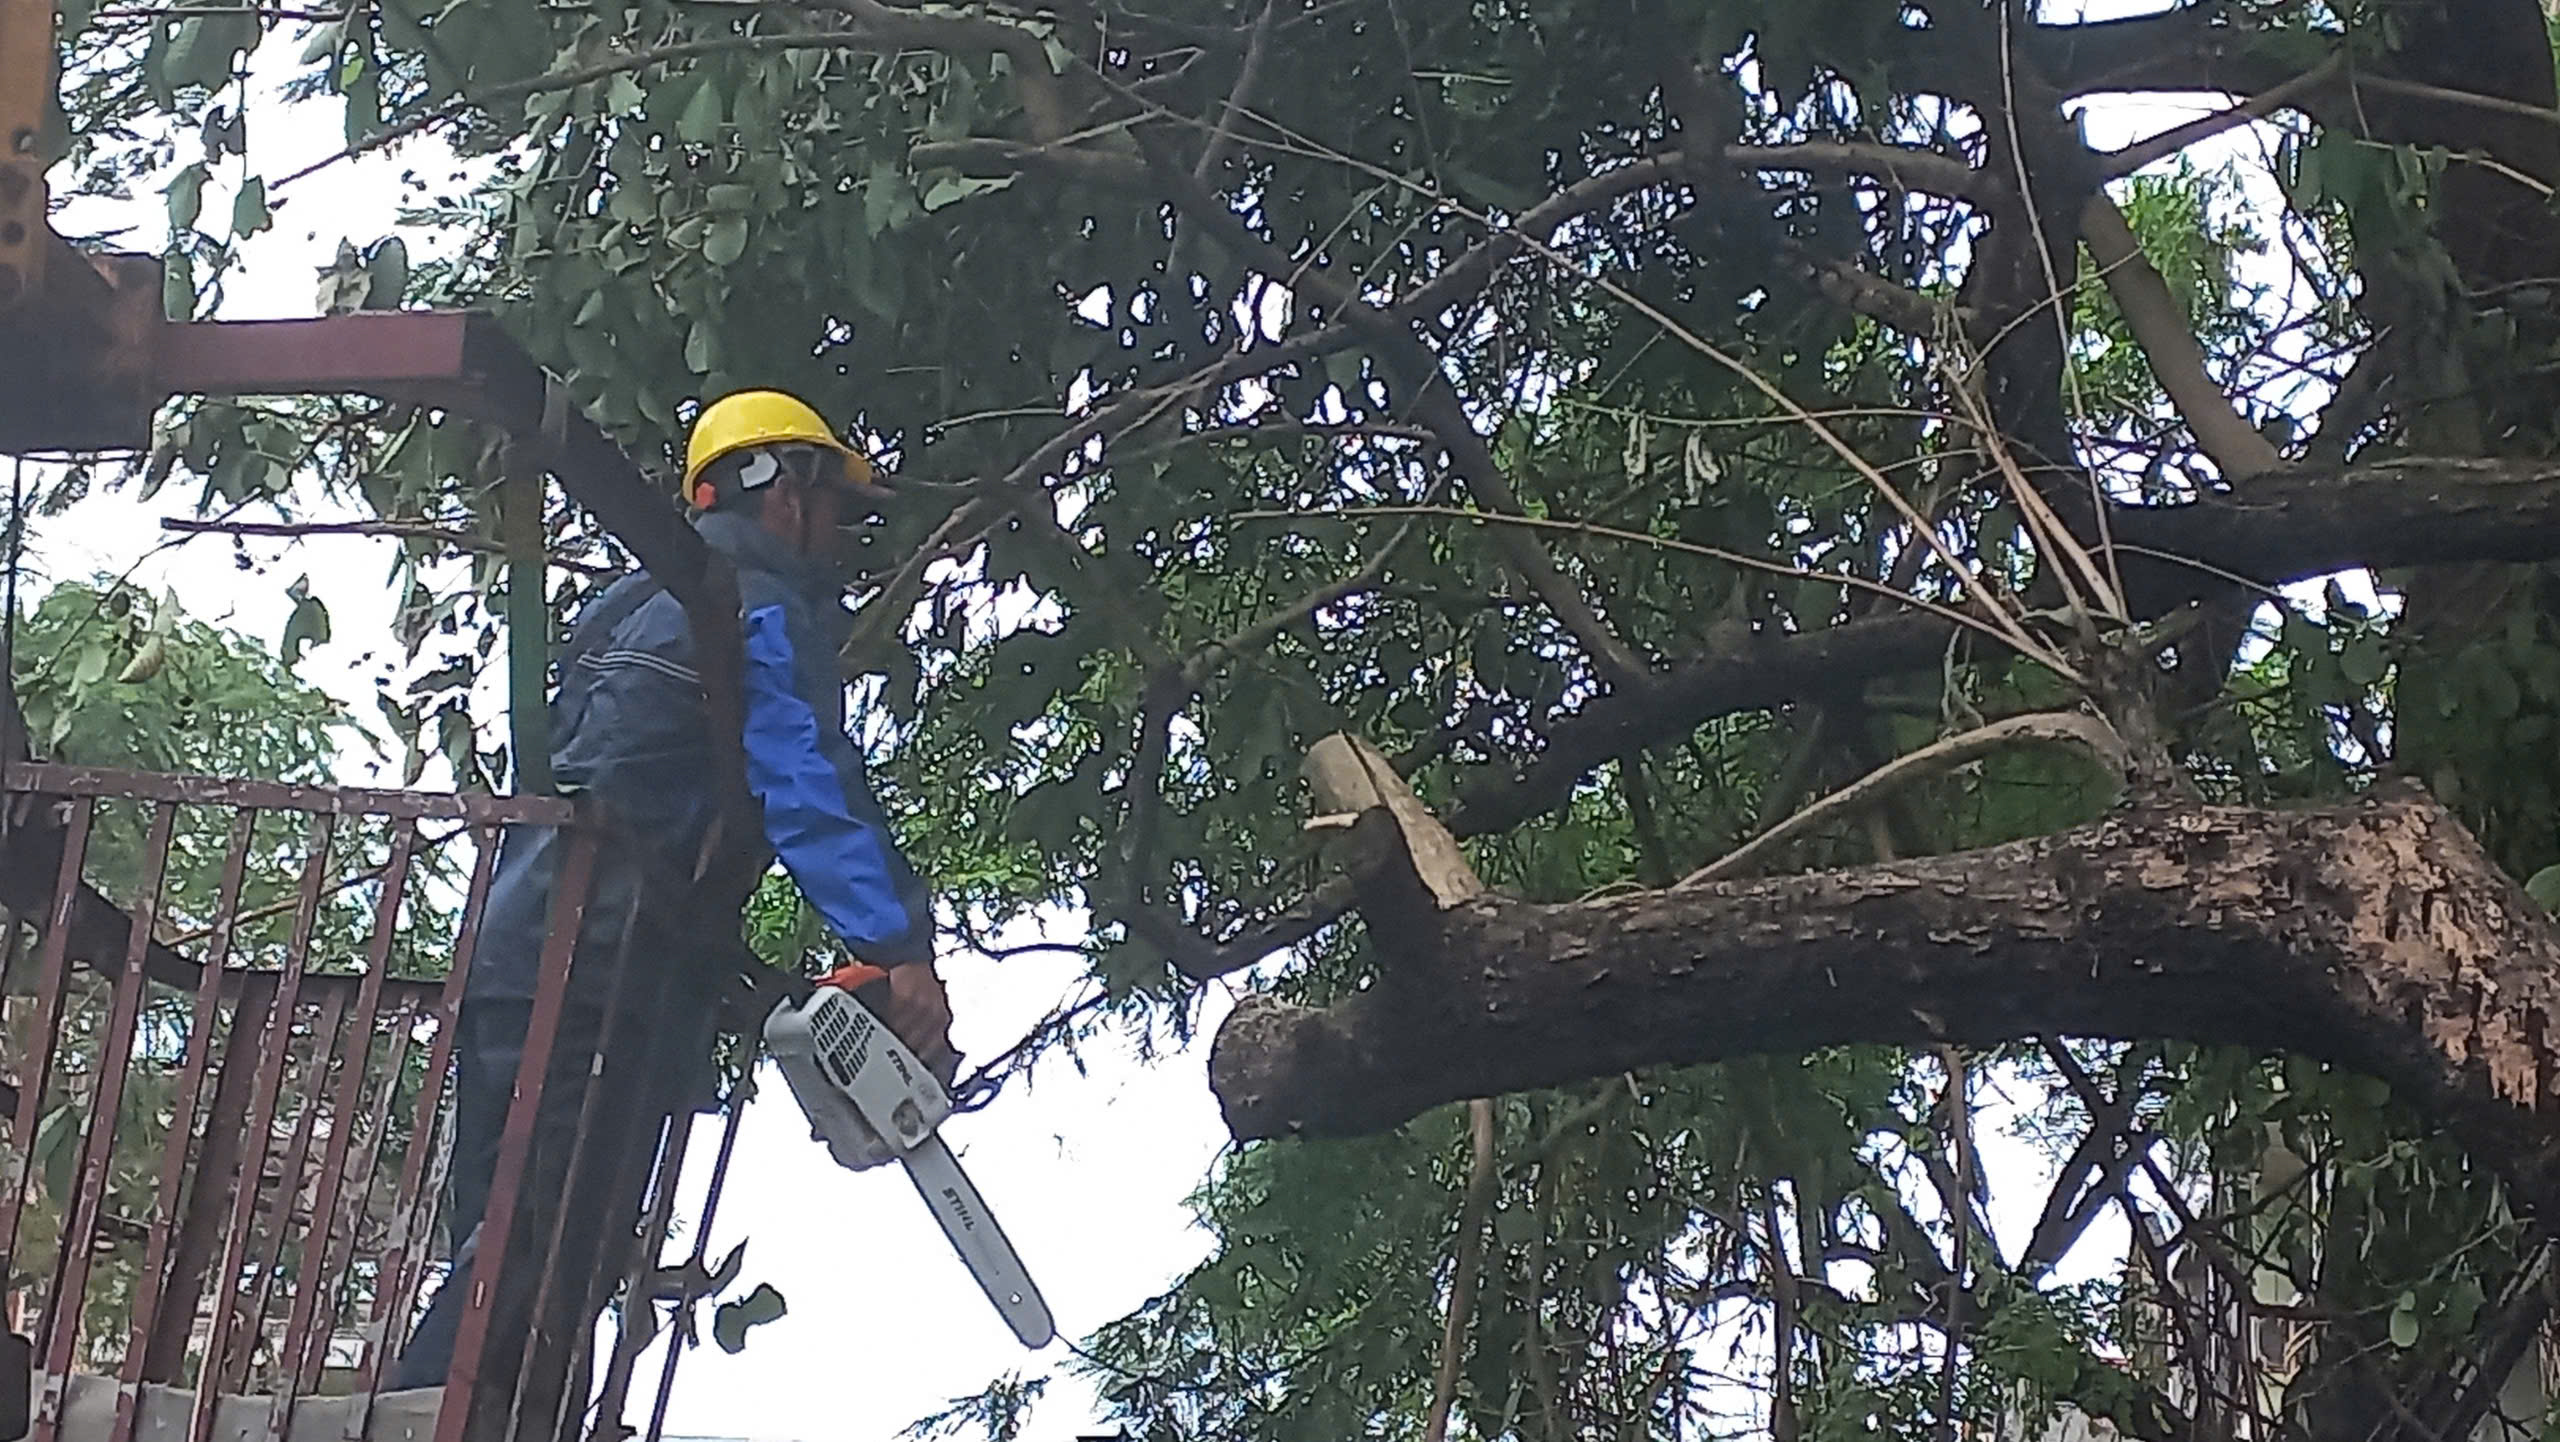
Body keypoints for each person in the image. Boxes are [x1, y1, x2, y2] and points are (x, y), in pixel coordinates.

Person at [389, 388, 956, 1401]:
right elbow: (806, 777)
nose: (839, 541)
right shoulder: (750, 600)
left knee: (508, 1242)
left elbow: (644, 782)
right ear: (784, 492)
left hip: (523, 952)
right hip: (602, 971)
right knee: (540, 1250)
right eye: (835, 510)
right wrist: (898, 942)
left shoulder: (627, 598)